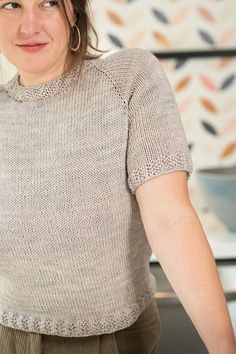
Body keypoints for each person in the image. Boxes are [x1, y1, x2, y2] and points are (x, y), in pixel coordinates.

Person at [0, 0, 235, 353]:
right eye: (11, 5)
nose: (28, 25)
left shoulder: (128, 80)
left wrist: (224, 348)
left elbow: (171, 220)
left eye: (48, 3)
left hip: (112, 339)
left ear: (73, 12)